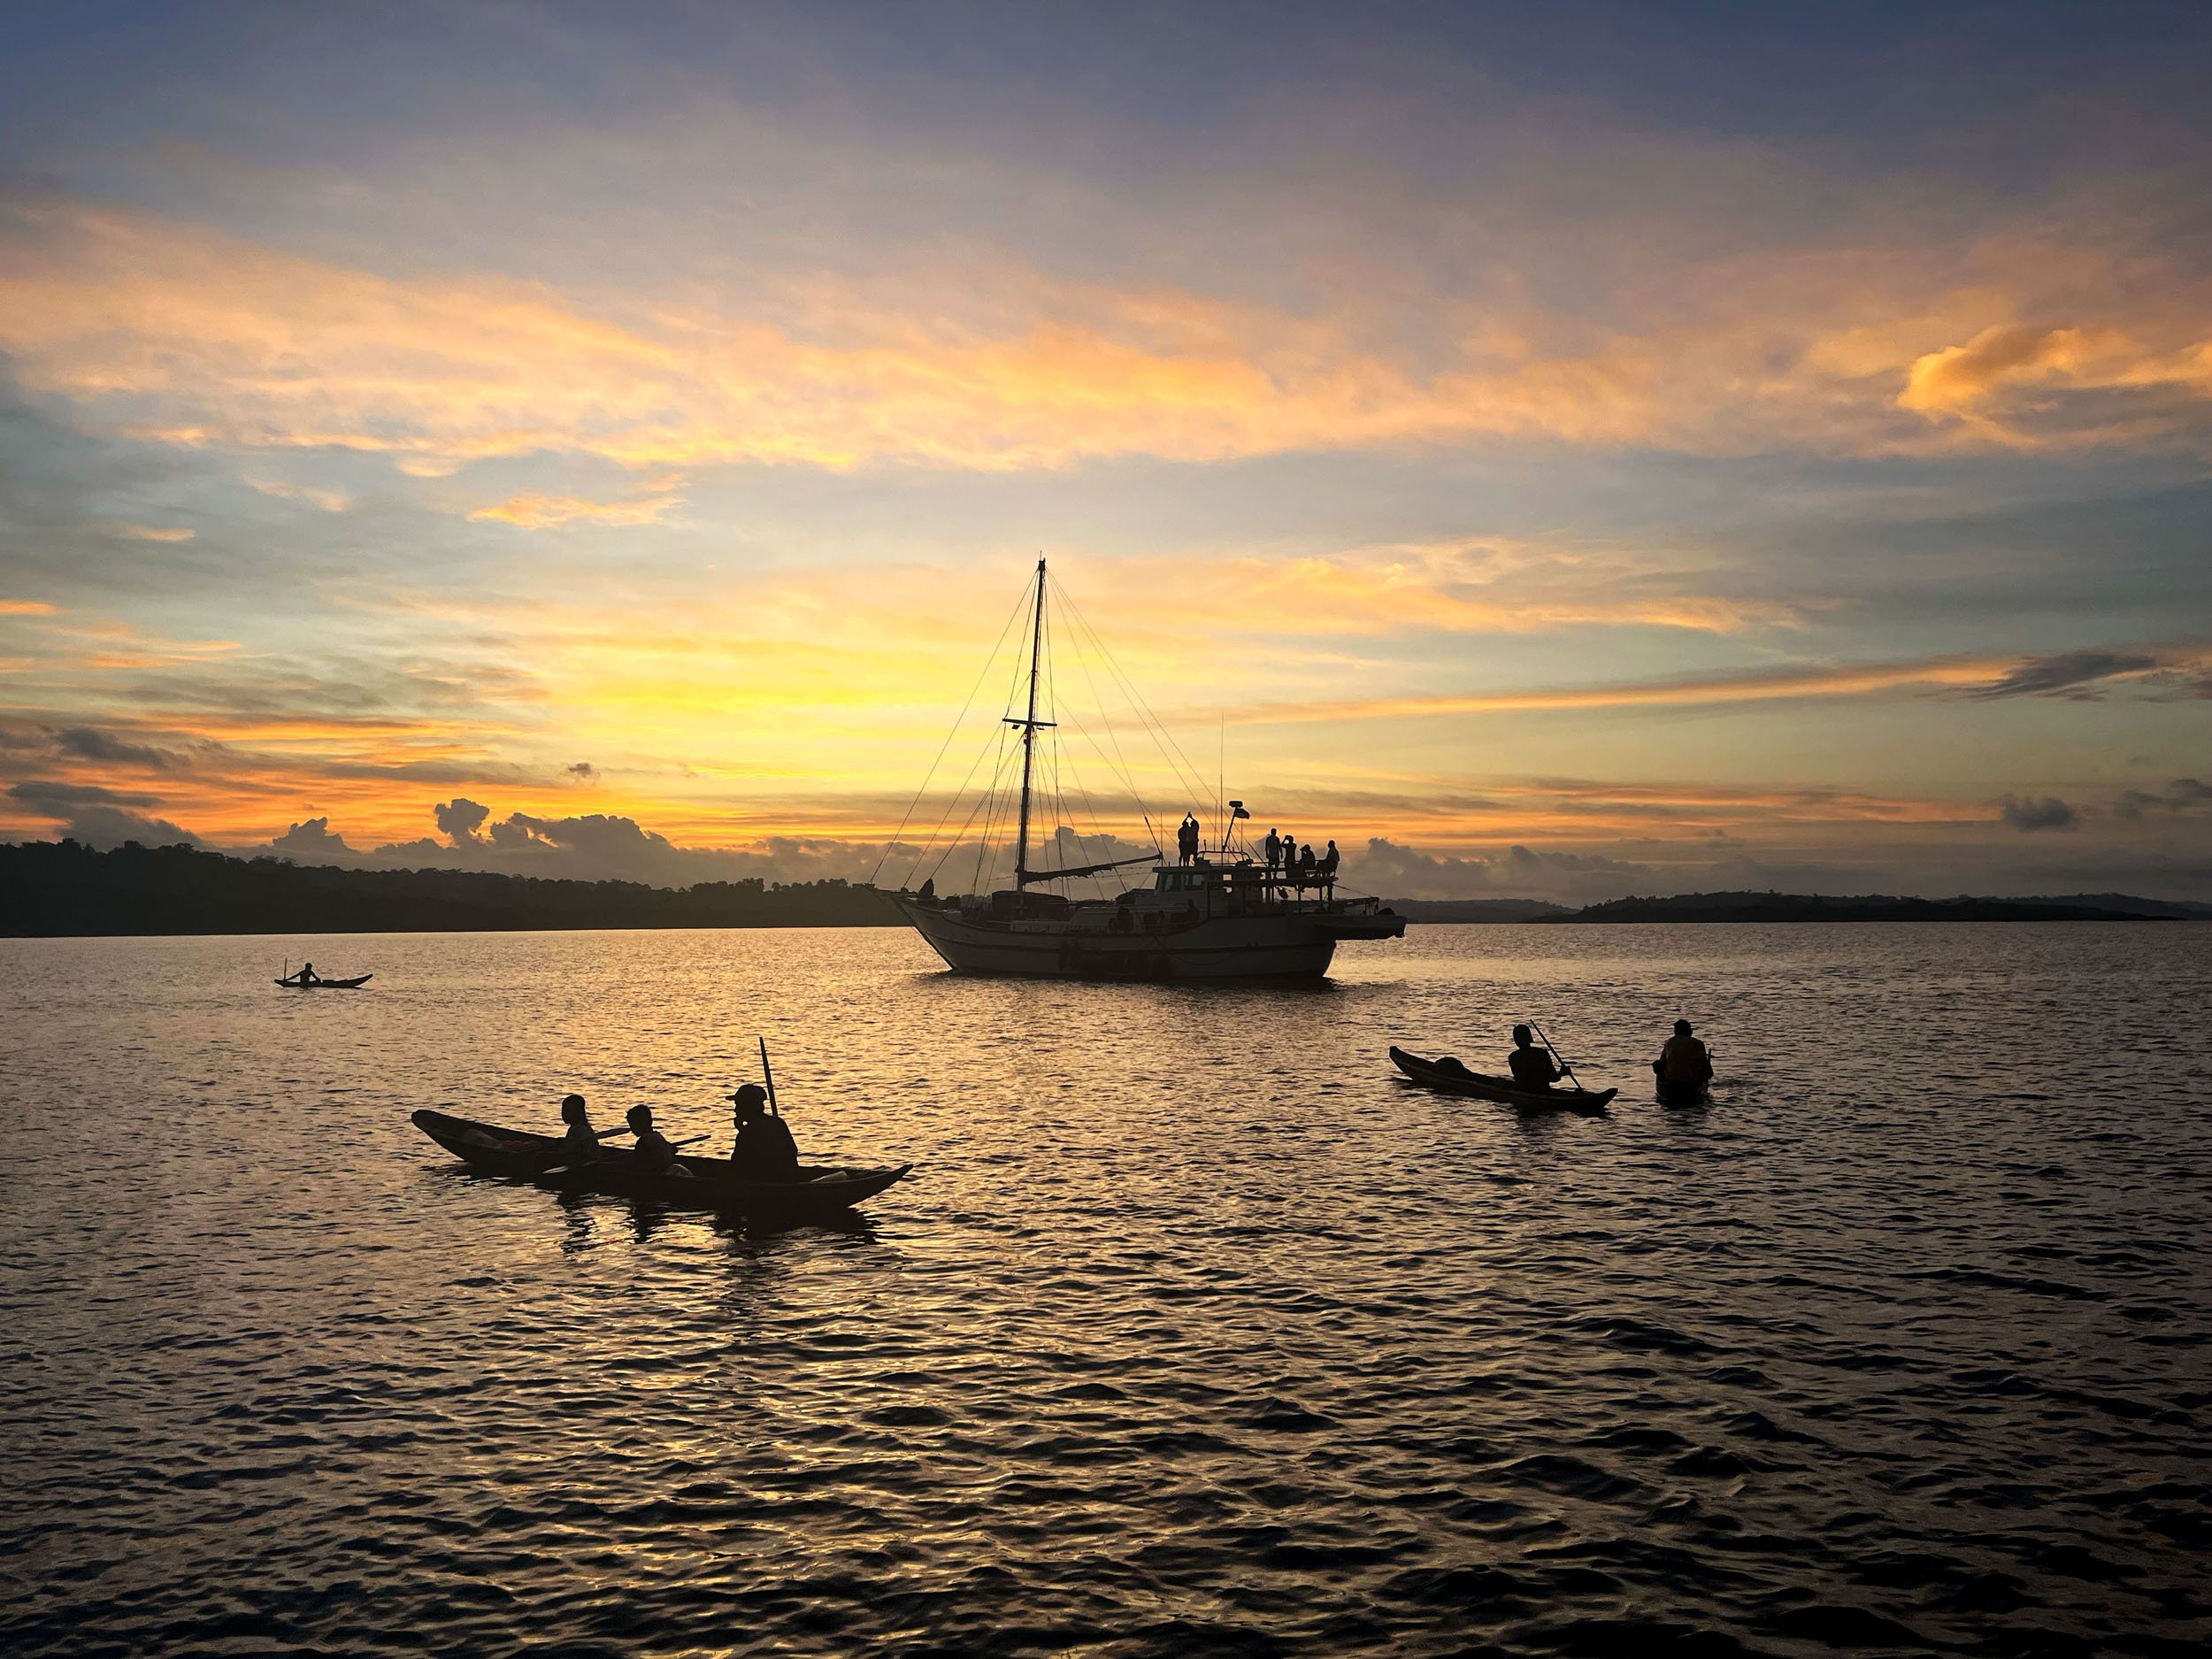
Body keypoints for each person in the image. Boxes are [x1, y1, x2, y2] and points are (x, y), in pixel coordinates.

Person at [728, 1084, 799, 1180]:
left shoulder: (749, 1132)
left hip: (765, 1180)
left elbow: (738, 1165)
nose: (735, 1110)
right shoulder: (777, 1123)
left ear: (749, 1106)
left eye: (739, 1105)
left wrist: (743, 1132)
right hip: (787, 1177)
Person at [1654, 1019, 1714, 1088]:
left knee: (1657, 1064)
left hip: (1671, 1082)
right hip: (1692, 1082)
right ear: (1688, 1031)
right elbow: (1705, 1065)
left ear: (1675, 1031)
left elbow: (1662, 1062)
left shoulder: (1669, 1042)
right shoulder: (1697, 1043)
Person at [626, 1103, 680, 1176]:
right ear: (651, 1122)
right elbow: (675, 1150)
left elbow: (637, 1164)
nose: (632, 1129)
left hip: (656, 1177)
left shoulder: (643, 1142)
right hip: (665, 1172)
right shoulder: (658, 1136)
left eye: (633, 1125)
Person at [1507, 1025, 1560, 1090]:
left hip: (1525, 1091)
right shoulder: (1542, 1053)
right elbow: (1553, 1078)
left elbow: (1519, 1080)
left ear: (1516, 1040)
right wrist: (1561, 1073)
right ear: (1530, 1038)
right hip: (1543, 1090)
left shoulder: (1513, 1057)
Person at [558, 1094, 603, 1163]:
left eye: (566, 1111)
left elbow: (568, 1151)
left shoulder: (578, 1129)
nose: (563, 1114)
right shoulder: (582, 1126)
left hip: (584, 1163)